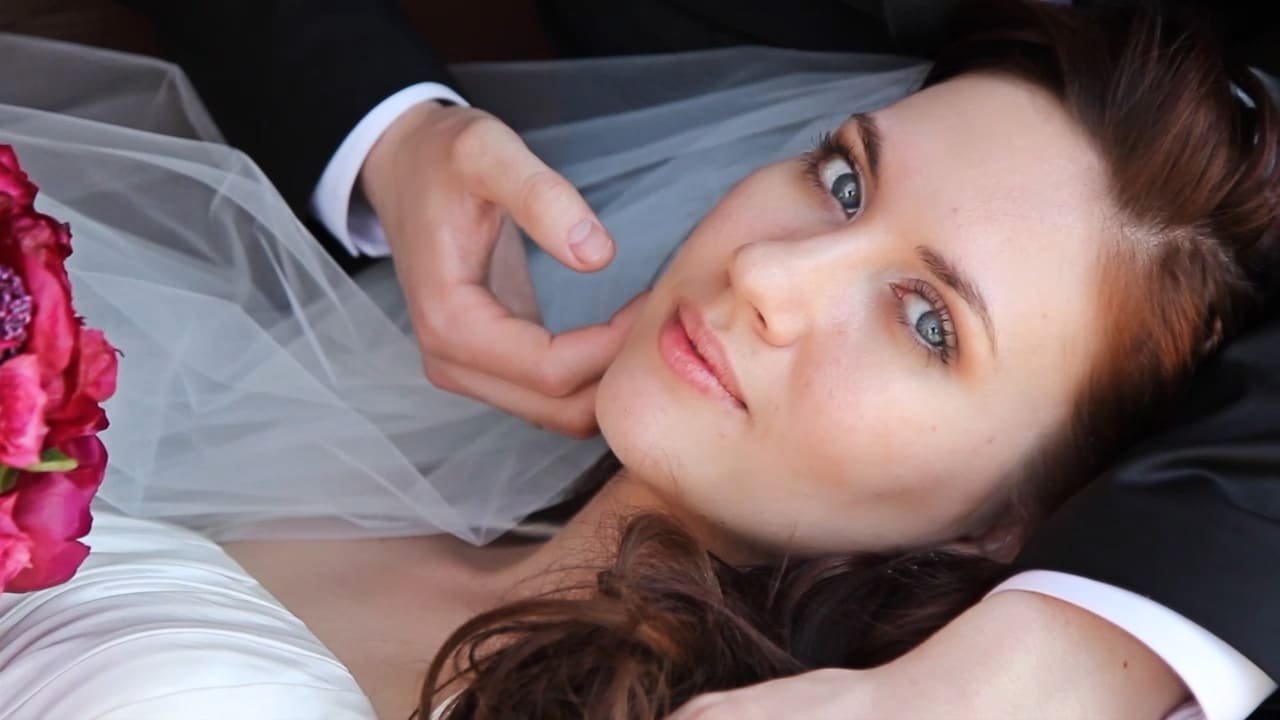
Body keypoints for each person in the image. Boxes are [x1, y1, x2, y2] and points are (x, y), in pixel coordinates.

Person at [0, 1, 1275, 718]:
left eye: (927, 321)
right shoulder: (302, 447)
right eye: (839, 181)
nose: (766, 275)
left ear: (1014, 521)